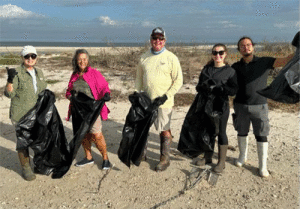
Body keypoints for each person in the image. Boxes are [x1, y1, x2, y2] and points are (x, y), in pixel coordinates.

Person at [232, 36, 295, 177]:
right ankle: (242, 157)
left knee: (261, 134)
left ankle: (263, 166)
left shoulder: (264, 61)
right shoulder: (235, 66)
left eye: (248, 45)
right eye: (242, 46)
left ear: (253, 46)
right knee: (241, 132)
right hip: (240, 105)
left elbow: (284, 61)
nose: (246, 47)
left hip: (260, 105)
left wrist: (297, 53)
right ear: (239, 49)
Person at [135, 27, 183, 172]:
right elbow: (139, 79)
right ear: (150, 40)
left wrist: (166, 96)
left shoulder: (171, 57)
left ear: (164, 41)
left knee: (164, 130)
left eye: (160, 39)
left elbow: (178, 80)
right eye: (155, 38)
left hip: (164, 102)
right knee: (143, 128)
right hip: (146, 101)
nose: (157, 41)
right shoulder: (143, 57)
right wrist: (137, 94)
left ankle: (165, 158)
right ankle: (142, 154)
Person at [4, 45, 47, 181]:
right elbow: (9, 94)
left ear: (36, 58)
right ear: (22, 58)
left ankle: (38, 164)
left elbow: (42, 90)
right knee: (23, 142)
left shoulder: (39, 72)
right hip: (20, 114)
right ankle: (26, 168)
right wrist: (10, 80)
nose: (30, 59)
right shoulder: (17, 72)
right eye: (27, 56)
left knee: (38, 140)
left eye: (33, 56)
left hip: (36, 114)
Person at [194, 43, 238, 173]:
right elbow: (198, 86)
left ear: (225, 54)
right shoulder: (206, 69)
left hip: (221, 105)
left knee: (221, 132)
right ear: (212, 54)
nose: (217, 55)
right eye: (215, 53)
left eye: (220, 53)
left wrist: (221, 89)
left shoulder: (230, 71)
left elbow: (234, 90)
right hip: (206, 104)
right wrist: (203, 87)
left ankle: (221, 162)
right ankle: (207, 158)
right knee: (207, 131)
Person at [65, 49, 111, 170]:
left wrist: (106, 94)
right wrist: (70, 97)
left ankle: (105, 158)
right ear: (76, 60)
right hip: (78, 110)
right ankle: (88, 157)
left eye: (84, 59)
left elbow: (104, 86)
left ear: (88, 60)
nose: (82, 61)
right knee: (83, 134)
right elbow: (68, 91)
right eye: (80, 59)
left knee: (96, 134)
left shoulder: (94, 73)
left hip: (92, 109)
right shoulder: (74, 75)